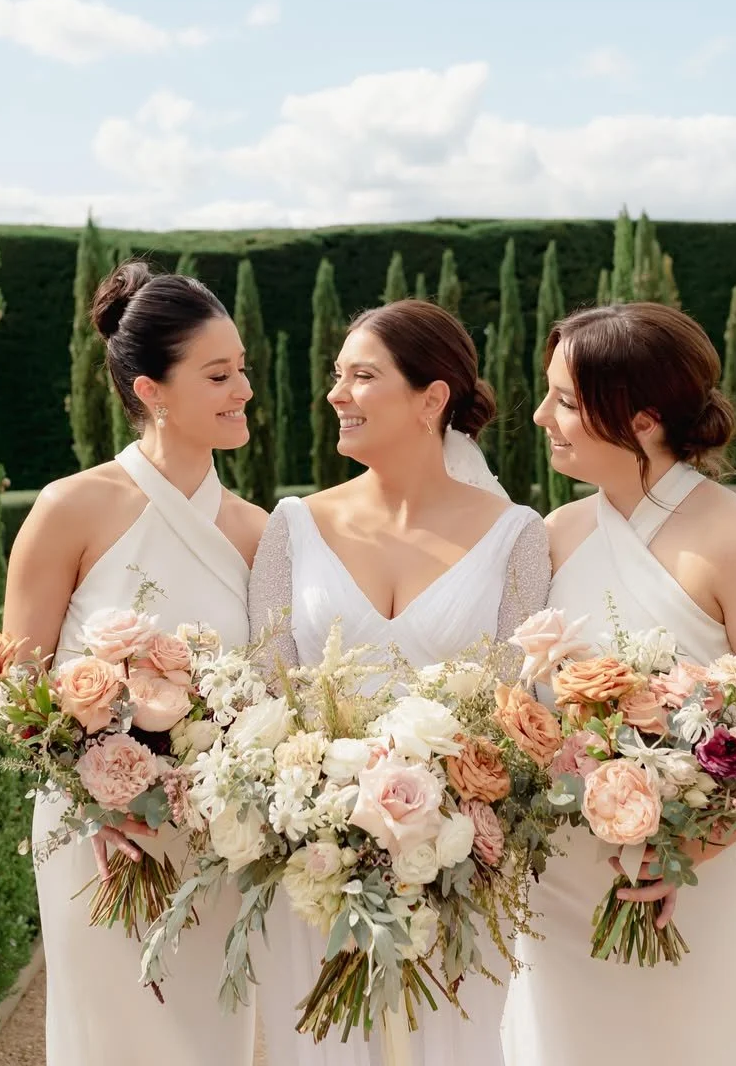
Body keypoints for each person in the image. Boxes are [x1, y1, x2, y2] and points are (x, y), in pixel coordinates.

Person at [502, 302, 736, 1066]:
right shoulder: (556, 534)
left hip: (705, 889)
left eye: (567, 402)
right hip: (565, 883)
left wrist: (690, 845)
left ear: (643, 418)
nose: (541, 414)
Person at [247, 299, 551, 1065]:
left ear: (432, 398)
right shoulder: (292, 526)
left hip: (457, 866)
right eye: (336, 376)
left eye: (361, 376)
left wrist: (442, 827)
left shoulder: (519, 536)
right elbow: (263, 690)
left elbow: (515, 711)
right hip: (314, 862)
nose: (335, 395)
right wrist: (322, 819)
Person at [2, 261, 266, 1065]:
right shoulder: (70, 508)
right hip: (97, 837)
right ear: (150, 391)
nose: (244, 389)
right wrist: (100, 789)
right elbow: (15, 692)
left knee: (212, 1037)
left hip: (214, 840)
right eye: (218, 374)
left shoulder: (258, 533)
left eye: (243, 368)